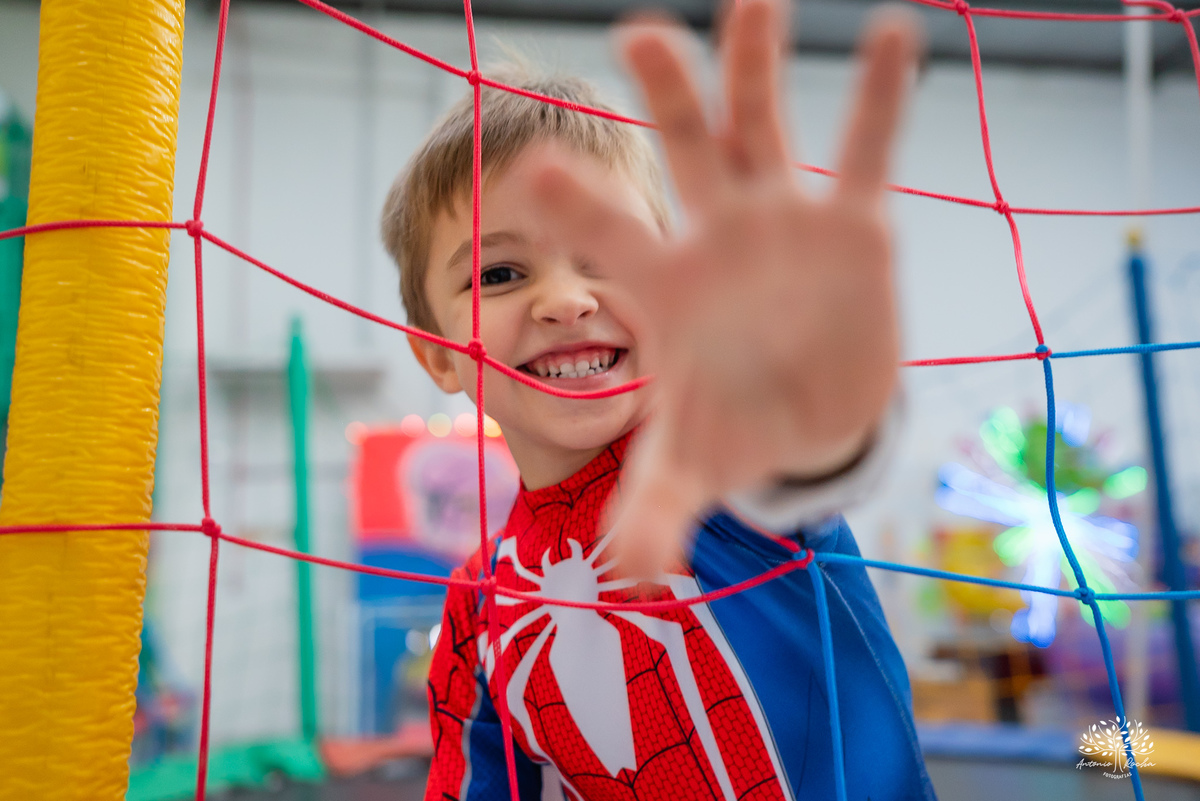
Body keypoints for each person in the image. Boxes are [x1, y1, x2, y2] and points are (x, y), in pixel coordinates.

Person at [381, 0, 936, 797]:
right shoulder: (481, 609)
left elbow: (810, 448)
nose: (566, 300)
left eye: (605, 254)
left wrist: (815, 382)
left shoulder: (721, 459)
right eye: (501, 274)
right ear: (437, 352)